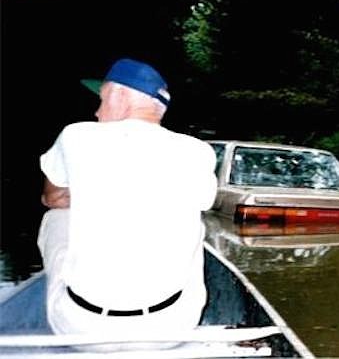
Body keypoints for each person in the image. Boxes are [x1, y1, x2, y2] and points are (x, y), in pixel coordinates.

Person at [37, 58, 218, 343]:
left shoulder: (76, 135)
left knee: (56, 216)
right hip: (170, 329)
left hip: (82, 330)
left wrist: (91, 193)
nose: (96, 112)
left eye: (102, 99)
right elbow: (203, 201)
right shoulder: (199, 151)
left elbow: (52, 198)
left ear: (121, 95)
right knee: (195, 224)